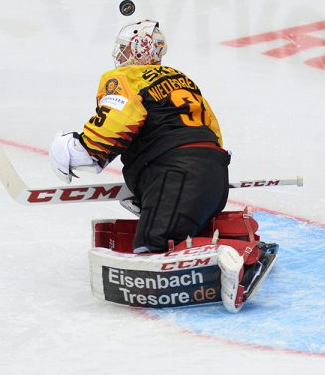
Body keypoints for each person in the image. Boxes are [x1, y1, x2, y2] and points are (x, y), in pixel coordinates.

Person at [49, 19, 231, 253]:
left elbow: (120, 117)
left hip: (174, 174)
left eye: (125, 47)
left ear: (140, 48)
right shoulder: (182, 79)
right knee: (181, 238)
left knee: (153, 247)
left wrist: (82, 149)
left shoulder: (125, 77)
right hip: (215, 172)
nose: (120, 53)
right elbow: (212, 129)